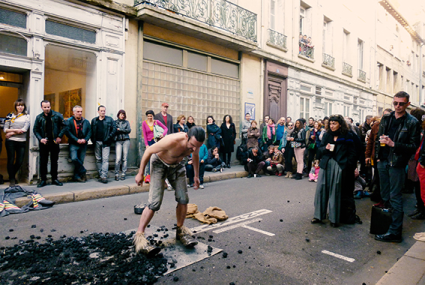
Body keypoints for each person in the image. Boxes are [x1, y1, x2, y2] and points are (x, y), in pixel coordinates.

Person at [133, 127, 205, 255]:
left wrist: (196, 176)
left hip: (177, 166)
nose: (194, 149)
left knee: (183, 198)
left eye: (197, 146)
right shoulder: (172, 141)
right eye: (192, 145)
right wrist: (141, 173)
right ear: (186, 137)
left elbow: (195, 156)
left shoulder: (195, 143)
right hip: (159, 164)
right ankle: (139, 236)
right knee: (154, 203)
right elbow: (148, 151)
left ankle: (180, 231)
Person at [374, 91, 421, 243]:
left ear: (408, 104)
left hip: (397, 163)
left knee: (395, 197)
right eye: (395, 103)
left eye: (401, 103)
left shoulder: (412, 122)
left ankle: (395, 232)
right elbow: (378, 138)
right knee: (385, 196)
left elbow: (413, 146)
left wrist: (394, 144)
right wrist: (378, 155)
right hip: (383, 161)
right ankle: (387, 226)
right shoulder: (387, 118)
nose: (398, 106)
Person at [311, 115, 357, 227]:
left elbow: (353, 153)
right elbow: (319, 151)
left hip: (339, 164)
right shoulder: (327, 135)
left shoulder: (348, 136)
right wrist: (325, 148)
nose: (332, 126)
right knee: (321, 189)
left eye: (334, 123)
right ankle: (318, 216)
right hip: (326, 164)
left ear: (340, 124)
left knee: (335, 192)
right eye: (330, 123)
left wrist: (348, 166)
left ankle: (334, 218)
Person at [33, 100, 67, 187]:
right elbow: (35, 130)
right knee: (43, 162)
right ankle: (43, 180)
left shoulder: (57, 115)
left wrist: (59, 137)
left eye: (48, 107)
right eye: (45, 107)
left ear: (50, 106)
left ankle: (54, 179)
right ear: (41, 107)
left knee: (54, 161)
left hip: (54, 142)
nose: (47, 109)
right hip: (44, 143)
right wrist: (41, 139)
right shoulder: (39, 117)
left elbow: (64, 126)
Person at [365, 109, 392, 203]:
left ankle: (386, 199)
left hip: (390, 157)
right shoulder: (376, 126)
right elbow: (370, 142)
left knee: (389, 180)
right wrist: (367, 156)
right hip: (377, 157)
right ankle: (380, 197)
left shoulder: (394, 126)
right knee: (378, 177)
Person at [4, 99, 30, 186]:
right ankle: (12, 179)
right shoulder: (10, 115)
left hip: (21, 141)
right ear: (15, 106)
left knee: (19, 161)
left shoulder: (27, 116)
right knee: (10, 160)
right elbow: (5, 129)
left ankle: (12, 174)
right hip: (10, 141)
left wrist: (11, 132)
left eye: (22, 105)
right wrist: (15, 130)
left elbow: (24, 129)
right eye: (18, 105)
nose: (20, 107)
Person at [91, 105, 117, 184]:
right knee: (98, 159)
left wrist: (109, 138)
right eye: (101, 111)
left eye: (104, 111)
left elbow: (114, 129)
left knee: (105, 160)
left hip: (106, 142)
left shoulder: (110, 119)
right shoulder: (94, 120)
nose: (103, 112)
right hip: (97, 142)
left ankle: (104, 176)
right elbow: (91, 131)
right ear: (98, 111)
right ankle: (100, 174)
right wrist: (93, 140)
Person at [65, 105, 91, 182]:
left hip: (83, 144)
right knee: (74, 158)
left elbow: (89, 132)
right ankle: (83, 171)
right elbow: (67, 132)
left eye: (81, 112)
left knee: (81, 160)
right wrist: (76, 140)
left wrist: (85, 139)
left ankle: (77, 176)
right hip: (74, 143)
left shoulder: (86, 121)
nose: (80, 113)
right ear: (74, 112)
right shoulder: (69, 121)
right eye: (78, 112)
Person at [142, 110, 168, 184]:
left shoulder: (156, 122)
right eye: (148, 116)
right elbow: (144, 134)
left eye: (151, 116)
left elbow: (166, 128)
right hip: (150, 143)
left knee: (158, 158)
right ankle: (149, 175)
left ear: (153, 116)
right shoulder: (144, 123)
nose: (150, 117)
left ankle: (159, 175)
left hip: (157, 141)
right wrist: (146, 145)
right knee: (149, 159)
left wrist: (163, 134)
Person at [114, 109, 131, 181]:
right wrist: (122, 130)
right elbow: (114, 130)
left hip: (126, 140)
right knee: (118, 159)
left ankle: (123, 173)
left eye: (123, 114)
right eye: (121, 114)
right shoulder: (115, 122)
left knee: (124, 158)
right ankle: (116, 173)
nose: (122, 116)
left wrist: (120, 129)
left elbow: (129, 130)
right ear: (118, 115)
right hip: (118, 141)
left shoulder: (126, 122)